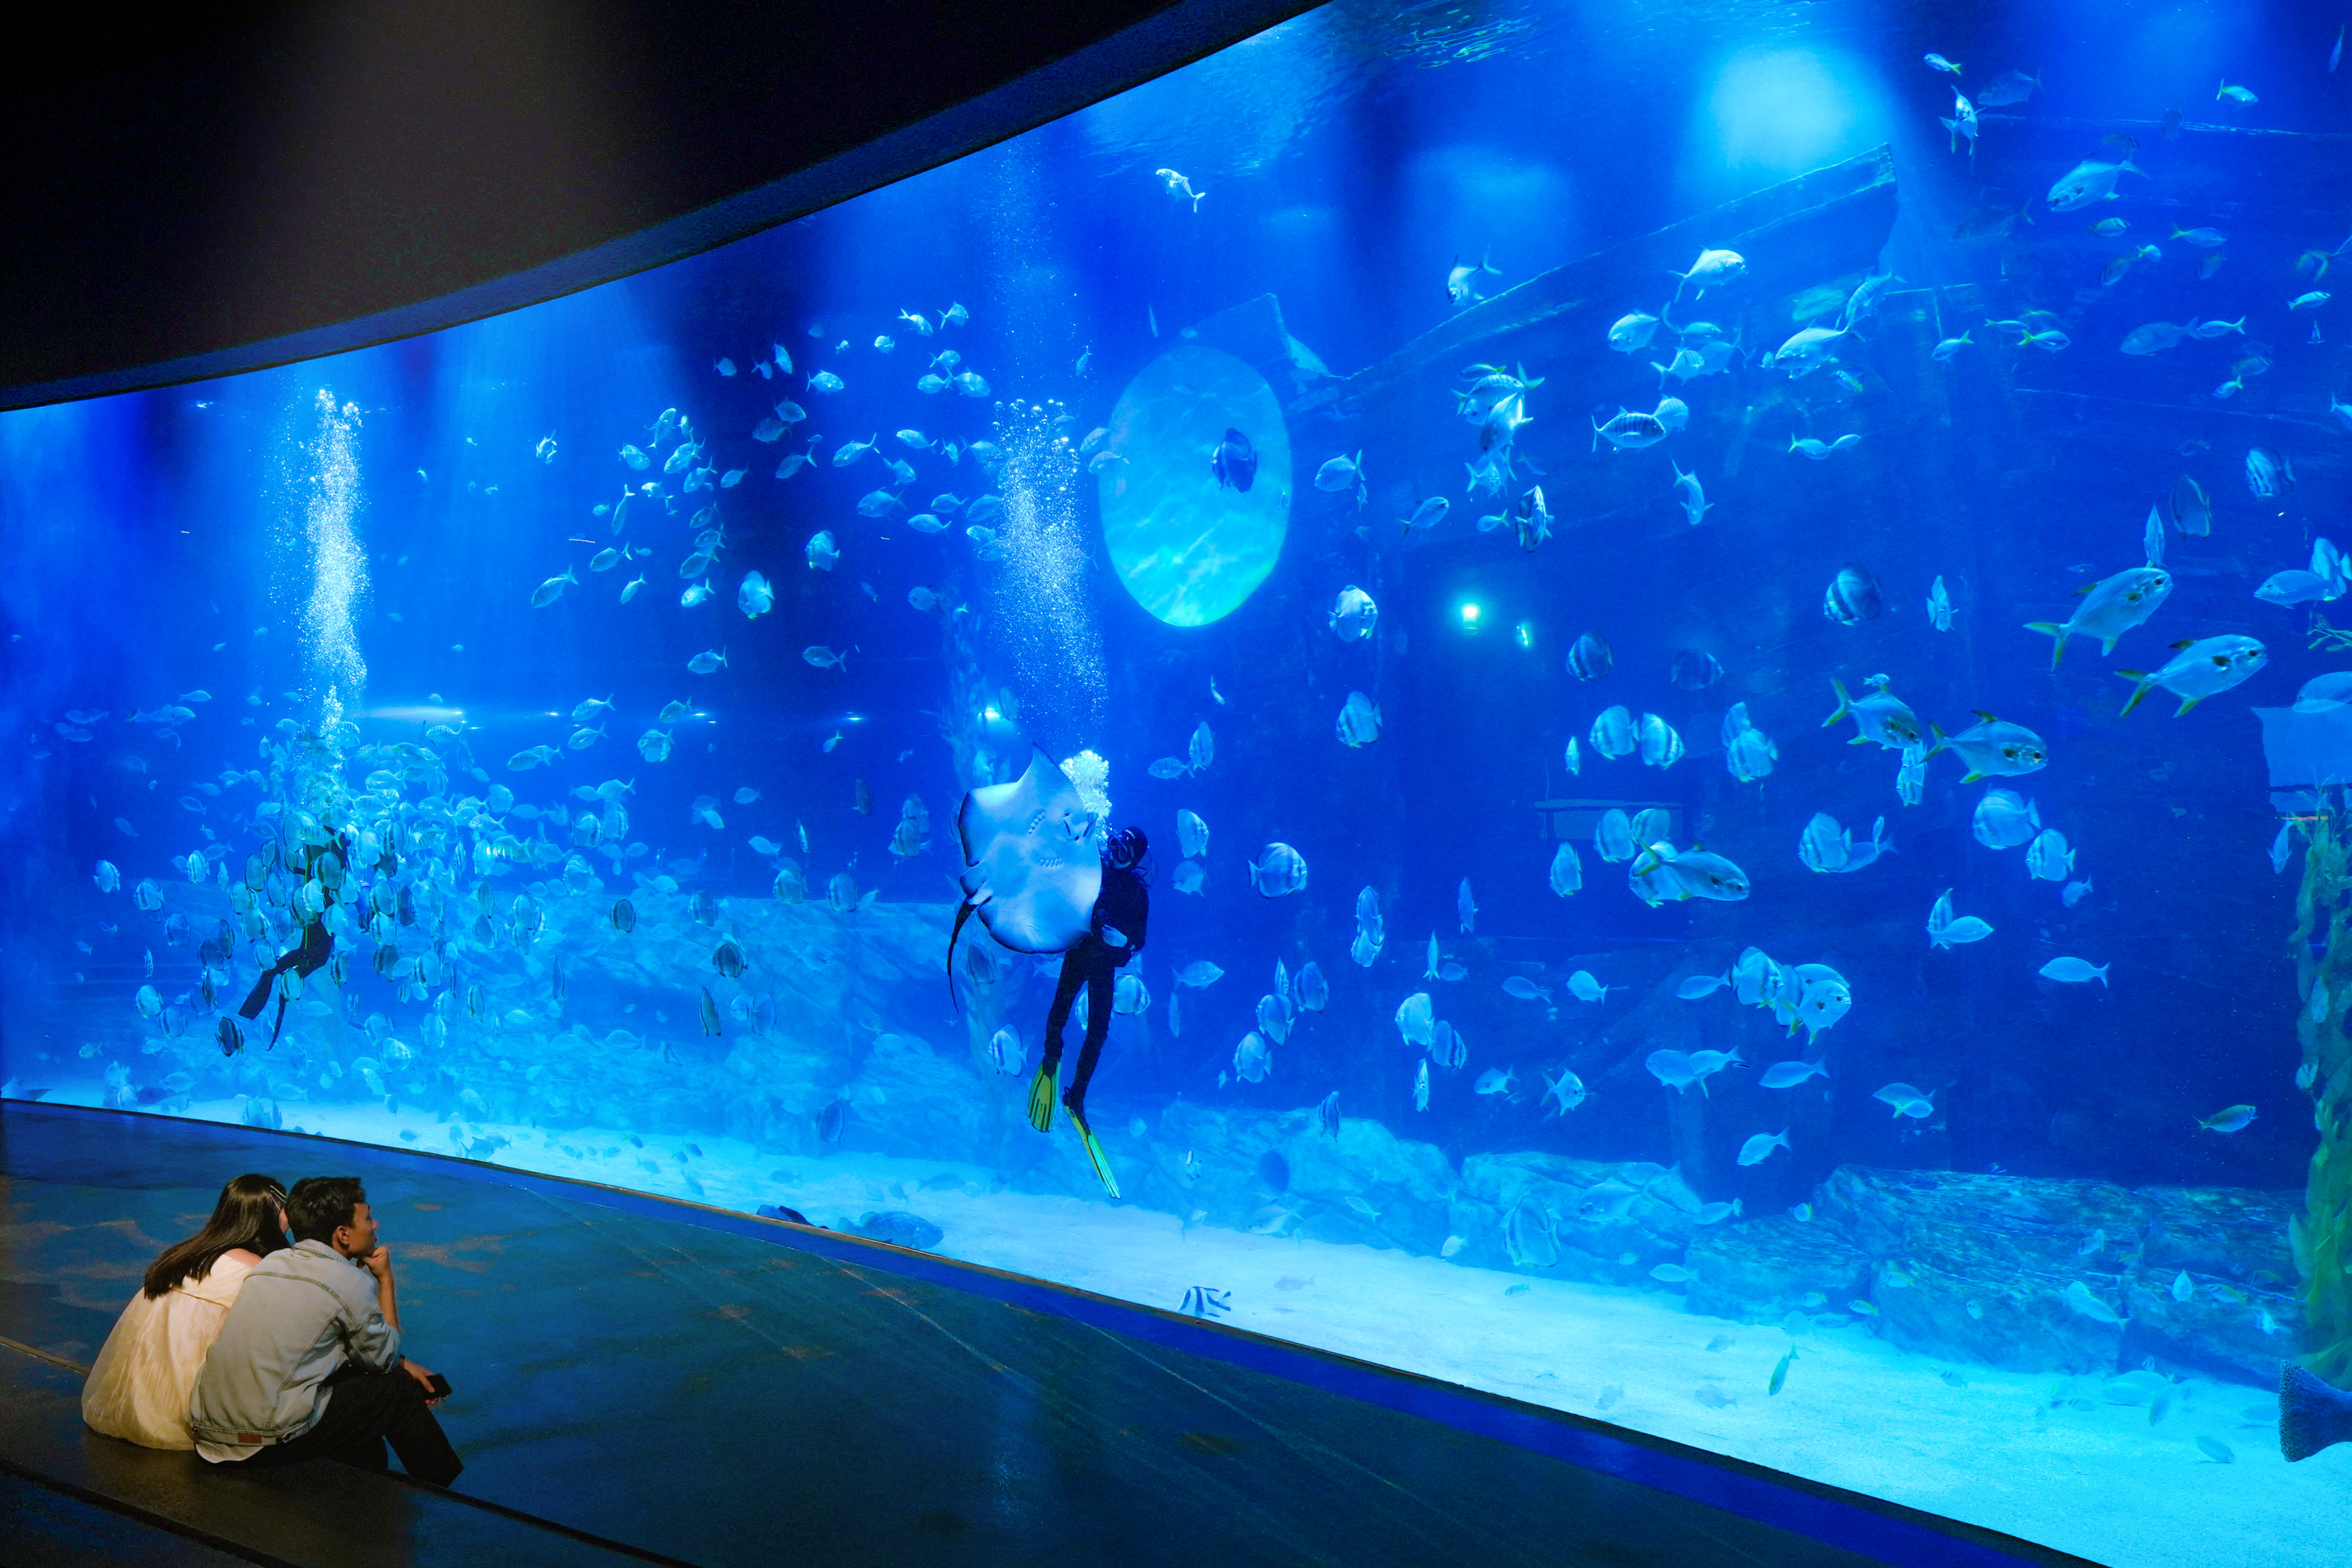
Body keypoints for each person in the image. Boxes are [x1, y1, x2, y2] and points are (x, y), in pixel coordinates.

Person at [189, 1176, 462, 1487]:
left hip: (210, 1434)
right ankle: (444, 1492)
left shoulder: (271, 1263)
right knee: (395, 1388)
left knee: (360, 1394)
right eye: (368, 1217)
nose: (375, 1225)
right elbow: (383, 1361)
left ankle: (363, 1489)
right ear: (343, 1234)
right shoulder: (349, 1283)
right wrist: (384, 1279)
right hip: (259, 1441)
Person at [82, 1174, 289, 1449]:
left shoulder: (186, 1256)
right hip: (179, 1423)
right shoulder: (257, 1270)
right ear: (270, 1212)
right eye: (286, 1206)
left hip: (117, 1408)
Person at [1028, 826, 1149, 1191]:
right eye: (1113, 845)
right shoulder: (1092, 867)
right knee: (1058, 1016)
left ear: (1136, 858)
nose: (1115, 853)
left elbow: (1139, 940)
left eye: (1123, 851)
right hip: (1079, 953)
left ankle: (1077, 1095)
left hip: (1103, 965)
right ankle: (1051, 1061)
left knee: (1097, 1032)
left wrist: (1122, 939)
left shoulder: (1137, 894)